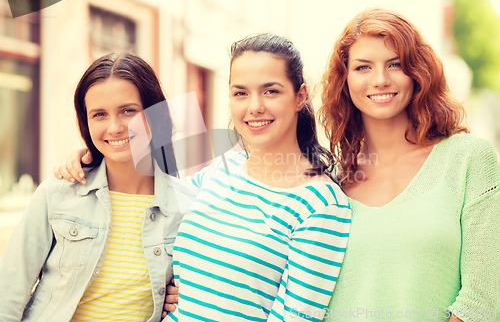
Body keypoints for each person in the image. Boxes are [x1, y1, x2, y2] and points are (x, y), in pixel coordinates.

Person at [54, 33, 352, 321]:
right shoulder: (221, 170)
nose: (254, 107)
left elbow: (295, 317)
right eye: (240, 93)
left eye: (270, 91)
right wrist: (94, 157)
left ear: (300, 96)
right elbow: (148, 197)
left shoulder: (321, 204)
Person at [318, 8, 500, 322]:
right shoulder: (328, 185)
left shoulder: (469, 160)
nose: (380, 79)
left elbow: (482, 302)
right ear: (345, 81)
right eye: (363, 67)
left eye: (395, 64)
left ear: (417, 72)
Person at [0, 52, 195, 321]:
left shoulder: (189, 207)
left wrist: (180, 297)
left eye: (128, 111)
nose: (114, 127)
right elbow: (8, 294)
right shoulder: (57, 194)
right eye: (99, 114)